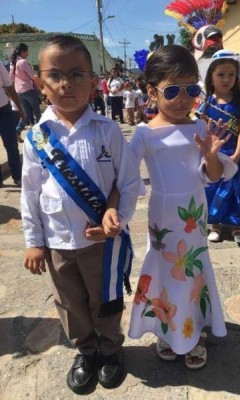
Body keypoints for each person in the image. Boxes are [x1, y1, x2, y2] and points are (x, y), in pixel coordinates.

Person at [21, 35, 140, 393]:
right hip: (57, 241)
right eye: (55, 75)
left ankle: (110, 349)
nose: (66, 83)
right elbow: (29, 194)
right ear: (40, 83)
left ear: (93, 81)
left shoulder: (107, 131)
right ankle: (86, 351)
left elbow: (130, 182)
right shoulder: (36, 138)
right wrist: (34, 242)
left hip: (100, 242)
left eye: (76, 73)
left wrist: (115, 214)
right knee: (69, 302)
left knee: (104, 299)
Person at [127, 45, 236, 369]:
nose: (182, 98)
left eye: (191, 89)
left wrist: (212, 156)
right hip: (162, 214)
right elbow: (126, 175)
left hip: (195, 212)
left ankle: (194, 331)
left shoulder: (201, 129)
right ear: (152, 91)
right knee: (164, 268)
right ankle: (166, 330)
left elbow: (213, 177)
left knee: (192, 270)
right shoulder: (144, 134)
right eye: (172, 90)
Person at [197, 50, 240, 244]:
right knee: (214, 188)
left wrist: (237, 153)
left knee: (237, 189)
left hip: (236, 152)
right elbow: (202, 127)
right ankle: (215, 224)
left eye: (231, 75)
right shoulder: (207, 101)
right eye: (221, 75)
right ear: (211, 77)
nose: (226, 79)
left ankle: (236, 226)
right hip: (215, 153)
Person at [10, 43, 42, 142]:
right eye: (27, 51)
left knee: (26, 114)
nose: (28, 53)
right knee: (37, 113)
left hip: (19, 91)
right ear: (23, 51)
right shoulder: (23, 62)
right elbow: (33, 76)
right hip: (28, 90)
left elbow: (10, 78)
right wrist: (42, 86)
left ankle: (17, 131)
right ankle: (39, 138)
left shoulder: (13, 63)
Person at [0, 62, 25, 187]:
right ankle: (17, 177)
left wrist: (19, 107)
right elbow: (9, 87)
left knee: (11, 145)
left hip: (4, 108)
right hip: (4, 108)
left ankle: (17, 176)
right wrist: (19, 108)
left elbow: (9, 87)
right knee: (11, 145)